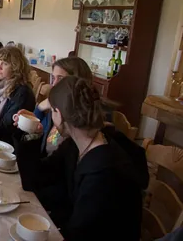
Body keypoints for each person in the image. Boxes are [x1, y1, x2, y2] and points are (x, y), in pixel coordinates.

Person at [26, 76, 143, 241]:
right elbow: (39, 176)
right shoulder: (77, 144)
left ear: (58, 114)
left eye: (51, 111)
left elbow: (80, 233)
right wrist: (31, 134)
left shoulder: (104, 172)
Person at [14, 57, 93, 157]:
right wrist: (38, 112)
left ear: (77, 82)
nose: (54, 84)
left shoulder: (83, 120)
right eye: (53, 78)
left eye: (60, 78)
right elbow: (38, 146)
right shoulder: (54, 108)